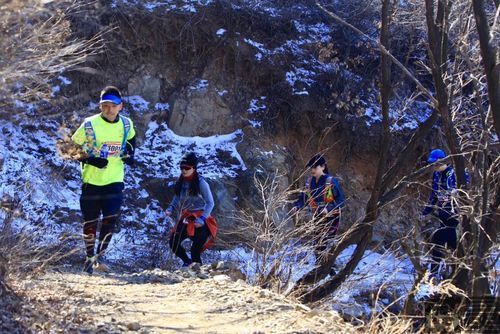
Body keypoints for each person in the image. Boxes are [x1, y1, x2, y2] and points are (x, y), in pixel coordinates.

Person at [71, 86, 136, 274]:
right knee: (90, 222)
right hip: (91, 181)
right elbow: (69, 148)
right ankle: (89, 257)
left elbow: (131, 140)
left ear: (120, 106)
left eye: (113, 105)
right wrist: (90, 159)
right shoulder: (89, 124)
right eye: (104, 105)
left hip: (114, 180)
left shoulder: (126, 124)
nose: (109, 109)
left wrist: (130, 155)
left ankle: (100, 256)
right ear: (100, 106)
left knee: (110, 220)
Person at [293, 154, 345, 271]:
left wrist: (329, 207)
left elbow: (341, 200)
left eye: (315, 167)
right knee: (317, 243)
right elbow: (303, 197)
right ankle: (322, 269)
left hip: (332, 216)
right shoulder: (309, 182)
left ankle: (328, 269)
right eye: (311, 167)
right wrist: (297, 206)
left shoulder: (331, 181)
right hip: (317, 215)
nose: (312, 170)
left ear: (322, 167)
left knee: (326, 242)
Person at [166, 152, 217, 267]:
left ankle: (199, 274)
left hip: (201, 219)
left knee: (195, 250)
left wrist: (202, 219)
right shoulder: (181, 182)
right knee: (173, 242)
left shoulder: (201, 183)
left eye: (187, 168)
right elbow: (177, 197)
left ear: (194, 168)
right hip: (187, 217)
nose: (183, 170)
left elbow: (210, 203)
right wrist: (170, 208)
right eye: (181, 168)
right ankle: (187, 262)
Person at [421, 148, 460, 277]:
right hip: (442, 214)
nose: (434, 166)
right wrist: (426, 211)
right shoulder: (436, 175)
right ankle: (436, 273)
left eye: (435, 163)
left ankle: (452, 272)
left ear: (442, 161)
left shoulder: (453, 173)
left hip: (455, 215)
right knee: (440, 242)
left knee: (449, 243)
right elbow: (434, 194)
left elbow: (463, 191)